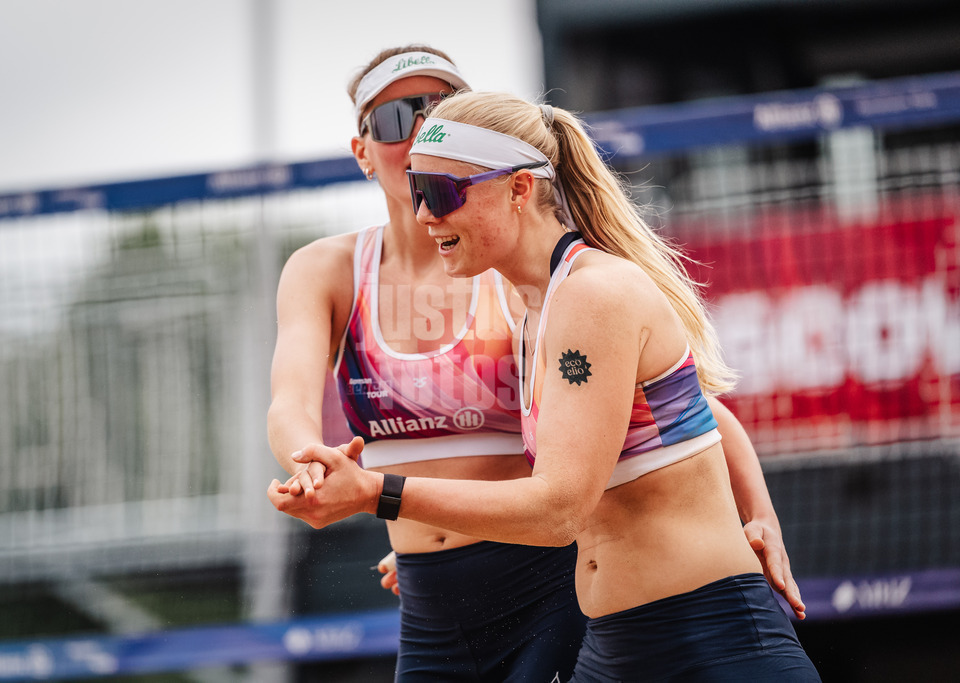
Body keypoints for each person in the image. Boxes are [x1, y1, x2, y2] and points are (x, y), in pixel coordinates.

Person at [269, 91, 820, 681]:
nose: (425, 214)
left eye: (442, 193)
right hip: (617, 647)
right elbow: (685, 419)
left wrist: (377, 493)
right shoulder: (535, 306)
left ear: (517, 190)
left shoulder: (590, 294)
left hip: (709, 641)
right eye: (418, 190)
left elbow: (559, 508)